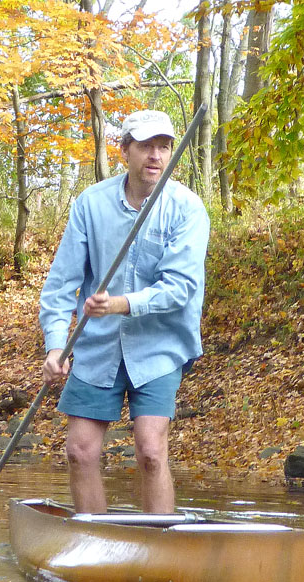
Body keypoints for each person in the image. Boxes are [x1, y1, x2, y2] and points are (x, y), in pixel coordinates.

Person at [39, 109, 209, 514]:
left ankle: (161, 550)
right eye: (146, 146)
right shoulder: (90, 205)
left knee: (151, 450)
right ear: (125, 151)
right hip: (98, 346)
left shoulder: (187, 208)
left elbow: (181, 288)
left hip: (160, 345)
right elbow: (61, 285)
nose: (156, 155)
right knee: (80, 450)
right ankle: (94, 545)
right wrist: (55, 346)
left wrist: (119, 304)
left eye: (164, 147)